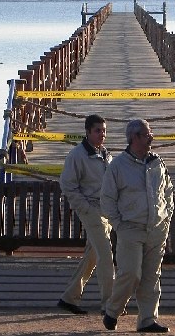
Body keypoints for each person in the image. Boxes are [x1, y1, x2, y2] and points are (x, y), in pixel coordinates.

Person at [100, 119, 174, 333]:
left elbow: (168, 191)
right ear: (134, 138)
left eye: (150, 133)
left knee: (152, 277)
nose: (151, 137)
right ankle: (112, 311)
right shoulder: (118, 166)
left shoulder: (157, 162)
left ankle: (147, 320)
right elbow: (107, 199)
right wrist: (118, 224)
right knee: (131, 274)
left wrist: (166, 216)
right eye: (146, 134)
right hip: (130, 228)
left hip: (156, 228)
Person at [57, 114, 114, 315]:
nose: (102, 134)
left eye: (104, 130)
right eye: (98, 130)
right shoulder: (76, 155)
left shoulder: (106, 154)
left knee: (92, 256)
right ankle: (110, 305)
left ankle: (69, 297)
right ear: (88, 132)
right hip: (91, 211)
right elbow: (67, 185)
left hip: (106, 211)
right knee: (106, 255)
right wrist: (85, 208)